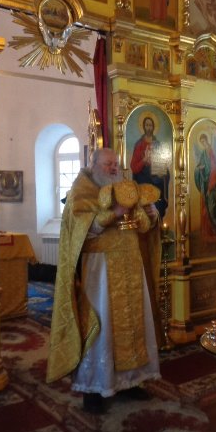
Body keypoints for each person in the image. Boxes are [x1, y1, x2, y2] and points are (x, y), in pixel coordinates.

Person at [46, 148, 162, 415]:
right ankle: (94, 388)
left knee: (134, 324)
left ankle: (131, 381)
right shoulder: (81, 190)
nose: (114, 168)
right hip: (100, 270)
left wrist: (151, 215)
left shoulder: (126, 187)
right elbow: (80, 229)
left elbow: (142, 225)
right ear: (94, 164)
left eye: (116, 164)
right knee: (101, 326)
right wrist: (115, 212)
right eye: (108, 163)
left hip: (131, 267)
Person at [130, 115, 170, 218]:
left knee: (166, 174)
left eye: (150, 125)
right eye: (147, 125)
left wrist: (161, 170)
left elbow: (162, 165)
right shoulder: (139, 145)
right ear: (143, 127)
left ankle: (158, 216)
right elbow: (134, 167)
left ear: (153, 127)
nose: (149, 127)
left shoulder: (158, 144)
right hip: (143, 180)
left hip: (157, 181)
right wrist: (144, 160)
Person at [194, 133, 216, 243]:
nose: (203, 143)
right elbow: (199, 166)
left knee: (211, 208)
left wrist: (210, 186)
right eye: (201, 142)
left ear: (207, 140)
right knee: (204, 208)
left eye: (204, 141)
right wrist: (199, 168)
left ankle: (213, 232)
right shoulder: (203, 152)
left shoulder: (211, 152)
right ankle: (205, 232)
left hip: (210, 185)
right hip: (204, 185)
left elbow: (214, 169)